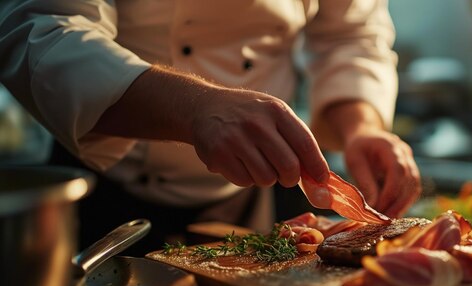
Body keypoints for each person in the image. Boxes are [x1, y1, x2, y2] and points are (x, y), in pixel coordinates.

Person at [0, 0, 421, 253]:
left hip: (257, 193)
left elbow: (348, 34)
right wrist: (194, 108)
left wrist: (361, 127)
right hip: (104, 192)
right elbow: (41, 26)